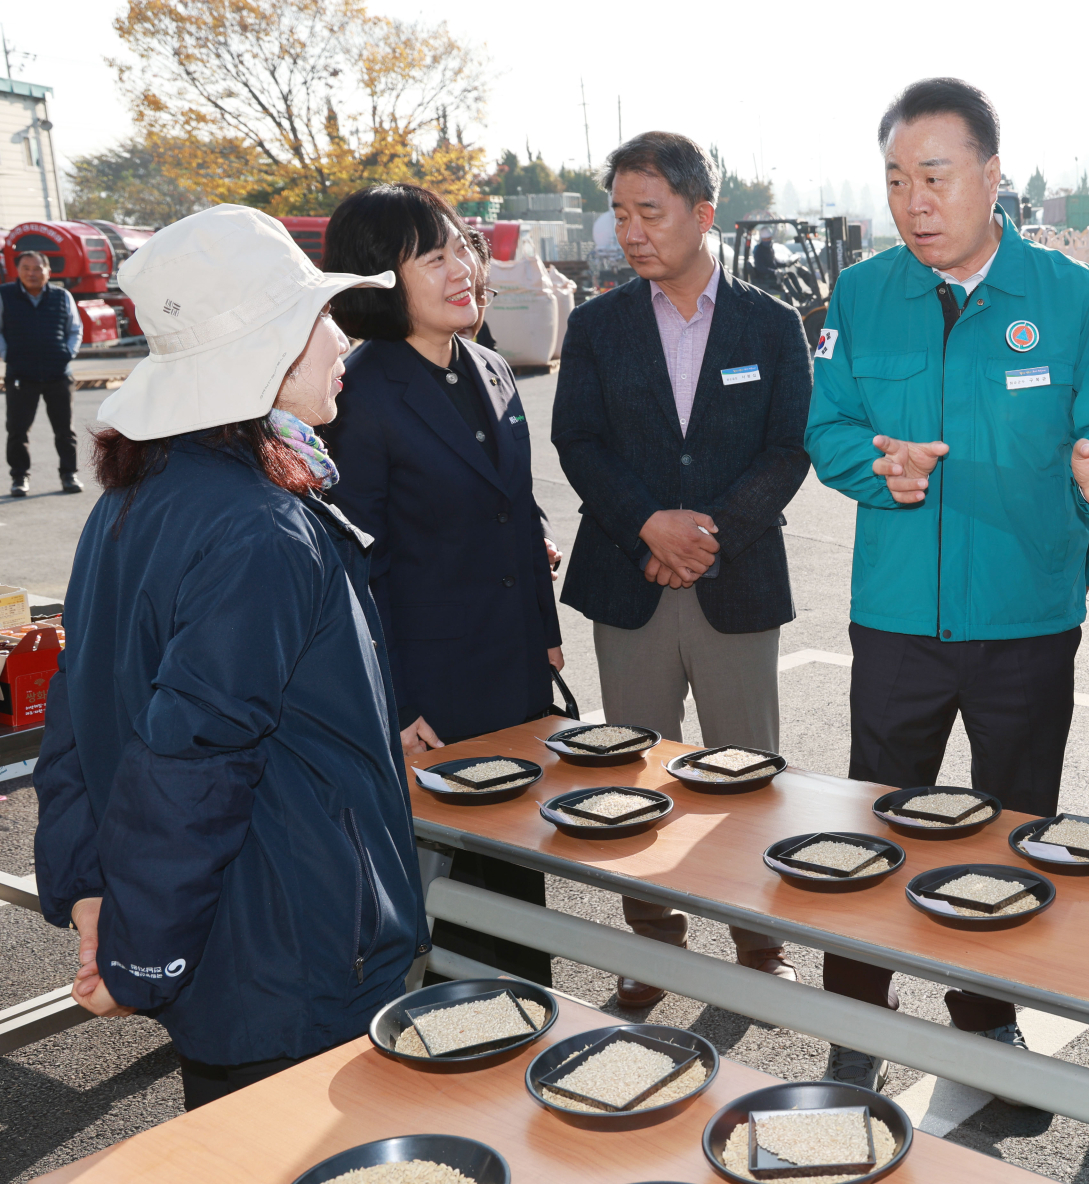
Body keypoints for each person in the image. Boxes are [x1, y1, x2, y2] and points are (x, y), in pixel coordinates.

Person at [805, 77, 1089, 1091]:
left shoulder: (1075, 298)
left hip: (1026, 623)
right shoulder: (864, 293)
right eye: (896, 180)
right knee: (872, 826)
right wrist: (876, 463)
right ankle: (855, 1021)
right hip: (897, 621)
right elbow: (826, 425)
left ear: (992, 176)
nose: (914, 200)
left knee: (1008, 831)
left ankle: (983, 1014)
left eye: (935, 175)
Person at [33, 204, 424, 1109]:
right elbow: (193, 759)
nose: (339, 339)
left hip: (236, 939)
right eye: (319, 319)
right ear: (269, 352)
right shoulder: (261, 527)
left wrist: (94, 892)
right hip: (293, 949)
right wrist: (137, 950)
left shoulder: (139, 498)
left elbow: (78, 707)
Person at [553, 132, 812, 1006]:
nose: (629, 232)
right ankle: (652, 949)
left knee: (744, 775)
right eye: (619, 213)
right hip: (630, 582)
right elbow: (577, 442)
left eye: (648, 211)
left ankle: (757, 944)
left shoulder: (771, 325)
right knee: (631, 777)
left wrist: (706, 534)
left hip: (732, 579)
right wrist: (648, 526)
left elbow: (786, 449)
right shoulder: (595, 326)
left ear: (703, 215)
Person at [324, 184, 565, 986]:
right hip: (430, 701)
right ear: (376, 280)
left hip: (512, 678)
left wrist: (547, 633)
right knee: (449, 920)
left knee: (521, 897)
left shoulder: (489, 365)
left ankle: (528, 1039)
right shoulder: (357, 394)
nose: (465, 267)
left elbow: (515, 510)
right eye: (436, 256)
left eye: (463, 246)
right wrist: (390, 704)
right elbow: (352, 569)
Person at [2, 249, 85, 496]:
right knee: (17, 431)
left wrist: (67, 354)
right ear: (17, 271)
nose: (32, 273)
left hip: (58, 374)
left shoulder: (62, 296)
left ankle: (69, 475)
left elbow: (75, 329)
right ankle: (19, 478)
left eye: (38, 268)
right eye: (26, 268)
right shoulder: (4, 295)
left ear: (48, 271)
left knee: (64, 431)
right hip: (20, 375)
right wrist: (8, 356)